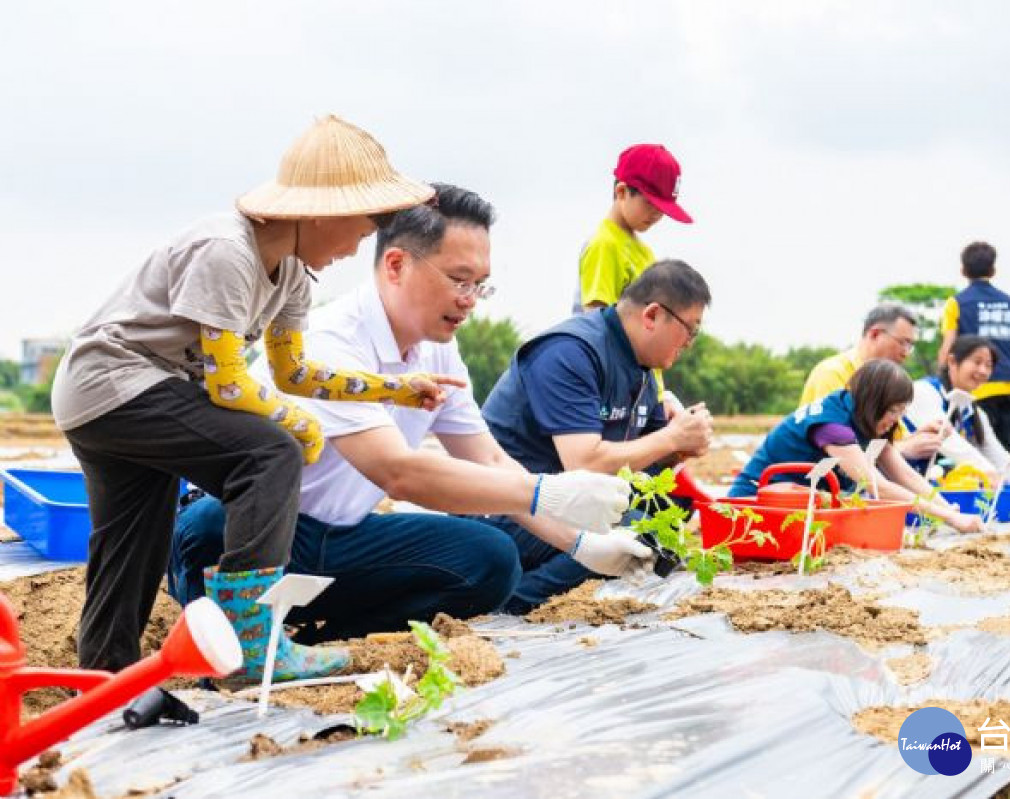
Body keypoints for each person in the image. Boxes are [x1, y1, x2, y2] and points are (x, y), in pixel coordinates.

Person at [50, 116, 466, 679]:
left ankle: (103, 680)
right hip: (117, 383)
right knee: (268, 453)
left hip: (128, 394)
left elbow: (292, 372)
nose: (358, 246)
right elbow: (228, 386)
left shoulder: (291, 271)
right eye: (361, 230)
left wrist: (395, 389)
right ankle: (252, 641)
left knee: (133, 547)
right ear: (324, 215)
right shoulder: (228, 253)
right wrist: (299, 426)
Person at [169, 184, 646, 642]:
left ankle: (335, 638)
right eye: (459, 280)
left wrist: (584, 546)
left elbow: (492, 462)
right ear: (396, 265)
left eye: (481, 285)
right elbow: (398, 472)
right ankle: (225, 634)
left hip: (343, 538)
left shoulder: (439, 353)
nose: (470, 300)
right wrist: (546, 490)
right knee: (211, 522)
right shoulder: (331, 341)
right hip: (260, 535)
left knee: (492, 559)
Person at [484, 260, 715, 611]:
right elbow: (585, 462)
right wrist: (672, 438)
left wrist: (679, 448)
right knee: (640, 535)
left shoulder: (642, 372)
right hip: (509, 511)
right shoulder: (570, 351)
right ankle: (513, 603)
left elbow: (644, 463)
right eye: (690, 330)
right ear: (652, 315)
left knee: (668, 516)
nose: (689, 343)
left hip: (571, 504)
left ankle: (545, 588)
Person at [731, 360, 984, 533]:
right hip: (752, 505)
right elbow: (877, 486)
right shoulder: (833, 424)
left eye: (901, 412)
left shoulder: (867, 419)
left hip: (796, 510)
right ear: (874, 402)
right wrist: (951, 519)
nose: (896, 419)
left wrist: (945, 506)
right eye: (893, 411)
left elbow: (903, 474)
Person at [905, 335, 1010, 507]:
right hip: (905, 490)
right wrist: (987, 471)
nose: (983, 371)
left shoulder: (974, 412)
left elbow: (1000, 459)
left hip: (935, 495)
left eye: (989, 365)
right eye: (977, 362)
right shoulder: (924, 391)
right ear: (952, 361)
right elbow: (950, 442)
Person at [798, 304, 945, 464]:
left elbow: (894, 440)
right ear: (875, 334)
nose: (905, 353)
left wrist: (920, 437)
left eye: (910, 346)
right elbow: (835, 446)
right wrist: (904, 449)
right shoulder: (831, 373)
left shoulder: (887, 383)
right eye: (903, 342)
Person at [937, 241, 1010, 452]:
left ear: (963, 270)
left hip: (977, 391)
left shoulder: (957, 303)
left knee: (976, 451)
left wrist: (943, 384)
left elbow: (947, 348)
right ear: (993, 270)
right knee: (1003, 451)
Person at [573, 143, 692, 314]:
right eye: (651, 204)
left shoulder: (644, 252)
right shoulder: (605, 245)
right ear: (621, 192)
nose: (657, 215)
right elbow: (595, 319)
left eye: (663, 210)